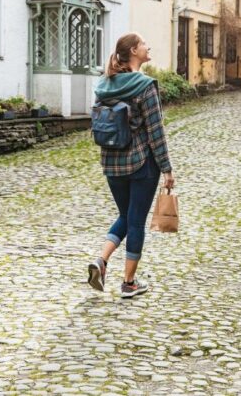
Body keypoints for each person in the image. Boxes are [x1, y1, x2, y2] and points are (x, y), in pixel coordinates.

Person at [87, 33, 175, 298]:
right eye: (145, 43)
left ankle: (101, 262)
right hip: (141, 164)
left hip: (111, 163)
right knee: (135, 221)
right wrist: (167, 169)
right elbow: (155, 130)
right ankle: (129, 282)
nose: (149, 46)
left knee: (126, 216)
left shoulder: (105, 85)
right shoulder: (144, 86)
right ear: (135, 51)